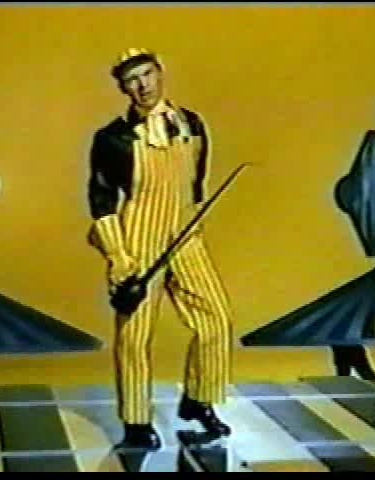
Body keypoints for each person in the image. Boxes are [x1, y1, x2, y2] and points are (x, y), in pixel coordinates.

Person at [86, 48, 233, 450]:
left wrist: (193, 220)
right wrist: (119, 255)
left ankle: (199, 399)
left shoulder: (191, 124)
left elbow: (196, 180)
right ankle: (136, 421)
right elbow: (101, 198)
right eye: (132, 80)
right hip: (139, 236)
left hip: (185, 234)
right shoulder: (112, 139)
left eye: (147, 74)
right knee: (134, 335)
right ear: (123, 88)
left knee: (216, 319)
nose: (142, 85)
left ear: (160, 73)